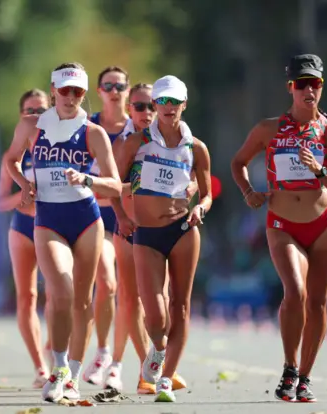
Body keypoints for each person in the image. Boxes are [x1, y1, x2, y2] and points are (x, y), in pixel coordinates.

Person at [230, 54, 327, 403]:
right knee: (295, 293)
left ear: (321, 87)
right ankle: (289, 367)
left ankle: (306, 378)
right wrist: (249, 191)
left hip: (325, 224)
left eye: (314, 84)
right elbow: (238, 163)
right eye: (301, 84)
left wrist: (319, 171)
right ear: (290, 88)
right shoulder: (268, 129)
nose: (308, 90)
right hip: (282, 225)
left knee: (317, 303)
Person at [4, 62, 122, 403]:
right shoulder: (31, 126)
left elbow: (114, 185)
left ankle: (72, 373)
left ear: (84, 95)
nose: (71, 97)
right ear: (53, 89)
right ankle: (57, 370)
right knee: (62, 292)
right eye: (65, 90)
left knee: (84, 299)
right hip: (49, 219)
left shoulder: (92, 132)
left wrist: (87, 179)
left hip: (86, 217)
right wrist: (25, 184)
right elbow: (12, 159)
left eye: (78, 92)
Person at [114, 75, 212, 402]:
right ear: (155, 105)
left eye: (175, 102)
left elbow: (207, 192)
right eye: (163, 101)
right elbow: (113, 184)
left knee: (180, 306)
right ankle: (157, 349)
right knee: (154, 312)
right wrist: (121, 215)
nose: (169, 108)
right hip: (146, 233)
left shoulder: (196, 147)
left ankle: (166, 378)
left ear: (184, 105)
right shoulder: (136, 143)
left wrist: (201, 206)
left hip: (183, 228)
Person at [107, 83, 189, 395]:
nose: (147, 113)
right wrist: (122, 215)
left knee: (162, 300)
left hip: (163, 227)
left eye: (150, 107)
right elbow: (111, 186)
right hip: (128, 229)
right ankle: (147, 369)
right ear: (130, 109)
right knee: (131, 298)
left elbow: (189, 176)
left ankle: (159, 363)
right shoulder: (126, 142)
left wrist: (191, 190)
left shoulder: (175, 140)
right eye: (140, 106)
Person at [0, 88, 52, 388]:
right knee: (27, 296)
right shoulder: (13, 156)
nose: (35, 116)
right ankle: (40, 366)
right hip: (22, 227)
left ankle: (53, 346)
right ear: (21, 116)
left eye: (41, 111)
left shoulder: (57, 146)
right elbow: (0, 201)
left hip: (53, 225)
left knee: (60, 294)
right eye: (30, 111)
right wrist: (23, 194)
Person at [83, 66, 129, 387]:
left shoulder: (139, 129)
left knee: (138, 295)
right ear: (99, 91)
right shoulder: (87, 129)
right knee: (107, 284)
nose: (115, 91)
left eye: (120, 85)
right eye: (108, 85)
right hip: (96, 218)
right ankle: (101, 351)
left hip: (132, 219)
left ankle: (152, 364)